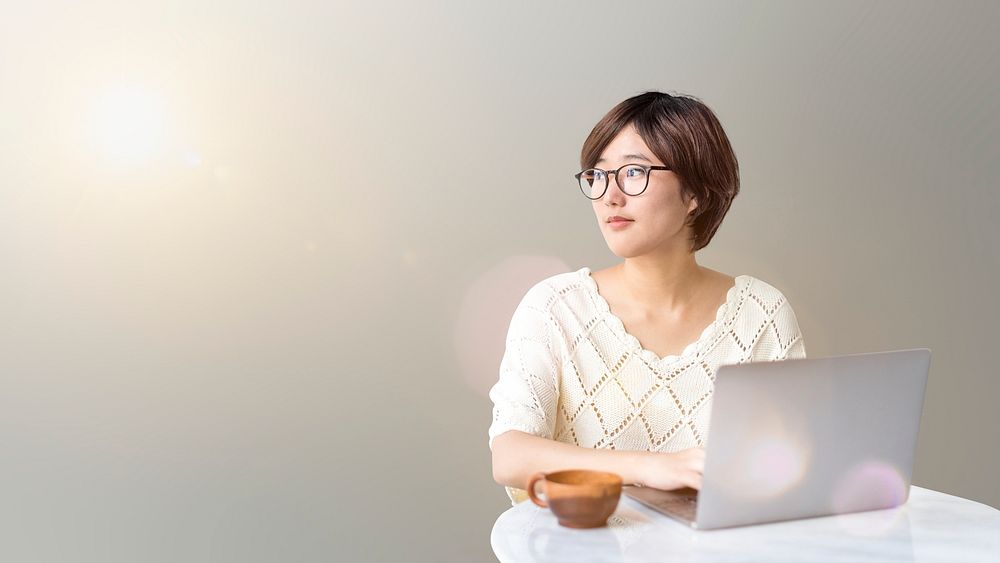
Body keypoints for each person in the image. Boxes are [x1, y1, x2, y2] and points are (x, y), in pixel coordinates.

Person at [488, 91, 807, 504]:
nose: (609, 196)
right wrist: (651, 467)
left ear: (695, 193)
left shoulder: (761, 313)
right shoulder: (555, 307)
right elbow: (510, 454)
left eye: (634, 173)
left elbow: (791, 465)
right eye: (598, 175)